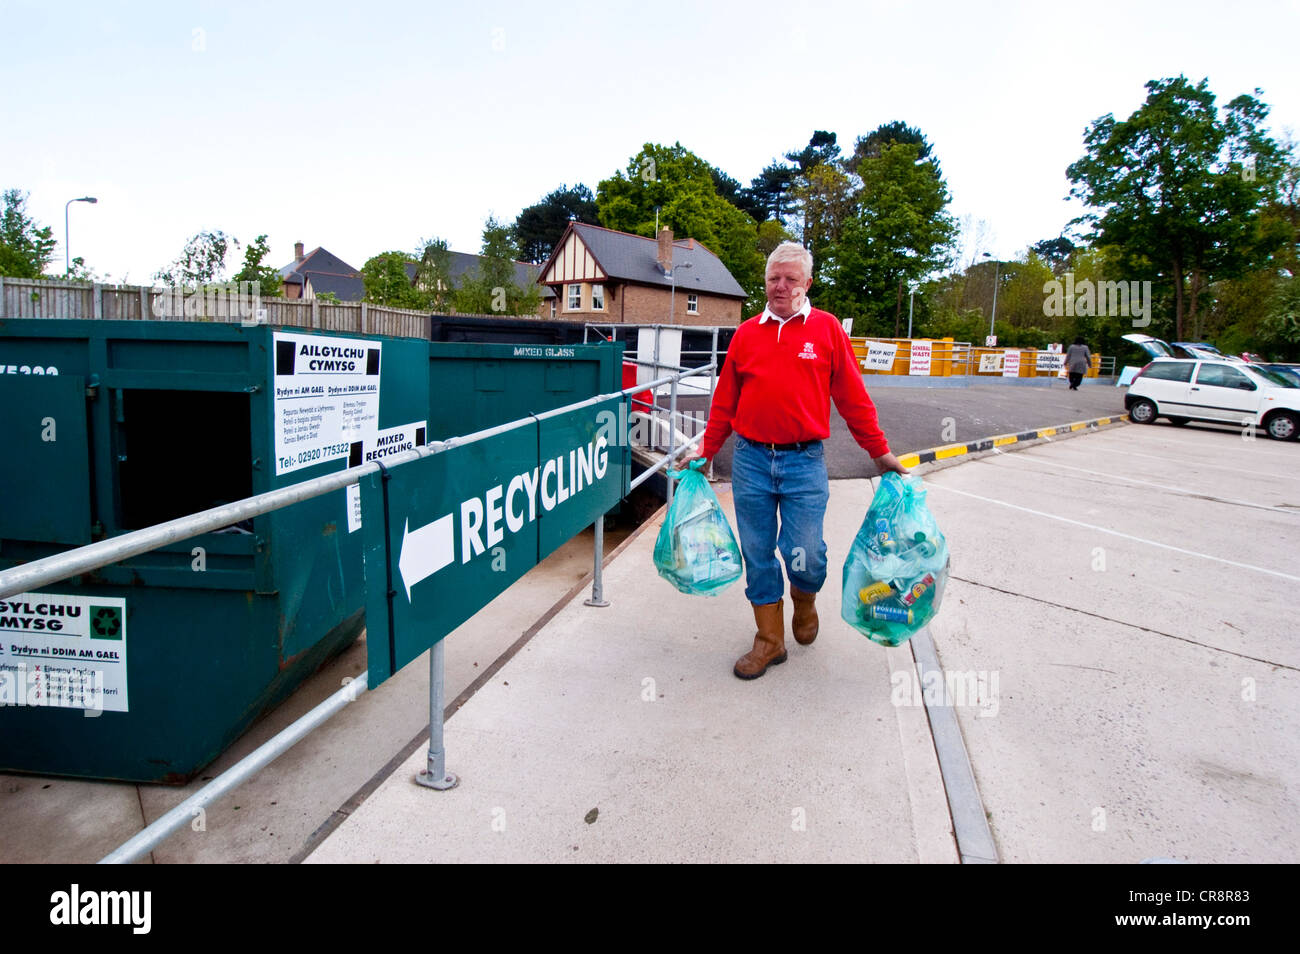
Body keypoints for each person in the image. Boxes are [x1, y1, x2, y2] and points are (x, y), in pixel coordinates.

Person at [686, 242, 907, 680]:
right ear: (765, 283)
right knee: (758, 552)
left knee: (807, 552)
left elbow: (853, 400)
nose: (780, 286)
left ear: (807, 284)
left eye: (790, 279)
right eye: (773, 278)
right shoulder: (747, 334)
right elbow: (724, 402)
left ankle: (804, 602)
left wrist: (879, 453)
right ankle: (769, 640)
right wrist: (705, 451)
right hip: (750, 462)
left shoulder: (826, 331)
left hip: (804, 463)